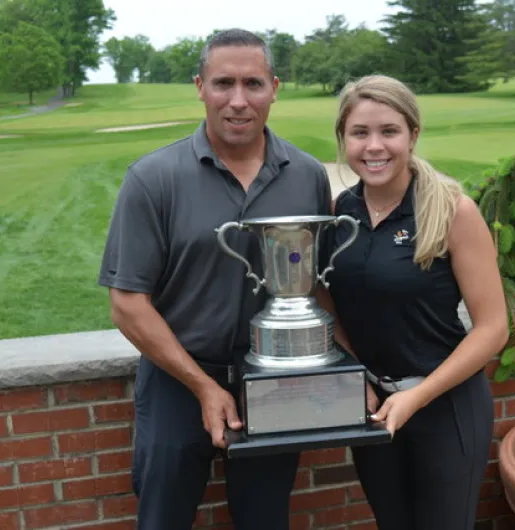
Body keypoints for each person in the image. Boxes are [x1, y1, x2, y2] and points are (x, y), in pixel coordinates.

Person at [97, 29, 332, 530]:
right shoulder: (153, 178)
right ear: (200, 86)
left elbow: (320, 287)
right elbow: (127, 303)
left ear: (275, 87)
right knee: (163, 518)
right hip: (177, 381)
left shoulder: (308, 176)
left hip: (273, 379)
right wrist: (204, 387)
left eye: (253, 83)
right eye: (224, 83)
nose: (239, 101)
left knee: (265, 519)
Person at [318, 75, 509, 529]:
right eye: (359, 133)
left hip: (446, 407)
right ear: (343, 139)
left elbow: (493, 328)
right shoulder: (338, 213)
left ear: (413, 135)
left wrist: (417, 396)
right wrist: (352, 373)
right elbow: (324, 298)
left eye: (389, 131)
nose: (374, 146)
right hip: (372, 407)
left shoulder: (451, 210)